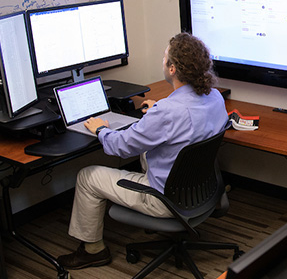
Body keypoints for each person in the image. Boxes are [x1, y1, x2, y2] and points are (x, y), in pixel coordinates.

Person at [57, 32, 228, 270]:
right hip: (200, 190)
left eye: (164, 57)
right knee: (149, 149)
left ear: (172, 69)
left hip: (166, 200)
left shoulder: (167, 112)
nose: (162, 61)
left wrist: (100, 130)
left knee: (87, 176)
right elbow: (188, 121)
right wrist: (158, 110)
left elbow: (120, 146)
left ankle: (93, 251)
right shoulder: (215, 98)